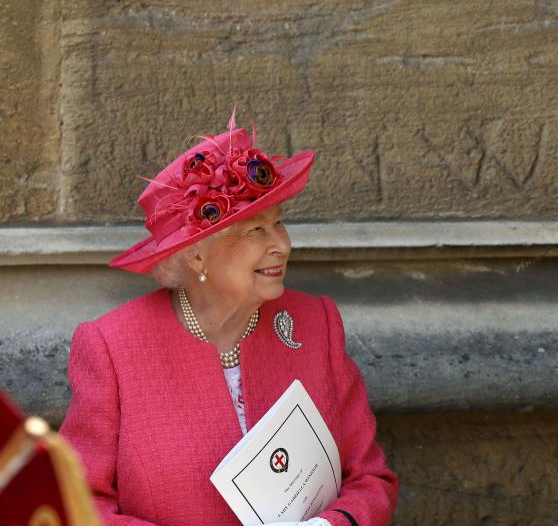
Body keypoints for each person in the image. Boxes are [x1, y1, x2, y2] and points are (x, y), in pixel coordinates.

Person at [60, 111, 398, 525]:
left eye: (280, 223)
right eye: (255, 231)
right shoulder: (112, 347)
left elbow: (370, 479)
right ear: (197, 254)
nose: (282, 245)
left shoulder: (316, 323)